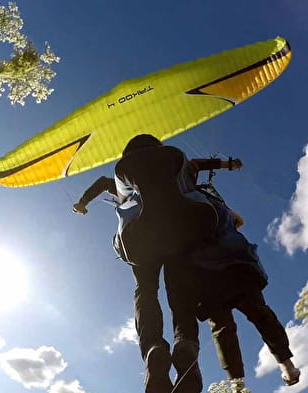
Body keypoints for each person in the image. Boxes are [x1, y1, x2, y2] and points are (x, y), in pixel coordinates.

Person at [73, 134, 243, 393]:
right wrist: (228, 164)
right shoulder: (176, 160)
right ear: (159, 148)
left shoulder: (118, 178)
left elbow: (99, 183)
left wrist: (82, 203)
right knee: (180, 291)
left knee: (145, 290)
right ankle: (185, 344)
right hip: (183, 231)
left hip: (139, 238)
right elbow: (202, 163)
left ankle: (153, 347)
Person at [193, 190, 301, 391]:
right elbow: (239, 221)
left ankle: (236, 383)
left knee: (222, 329)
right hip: (235, 265)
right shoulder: (208, 198)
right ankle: (287, 366)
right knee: (261, 314)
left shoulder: (176, 201)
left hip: (204, 274)